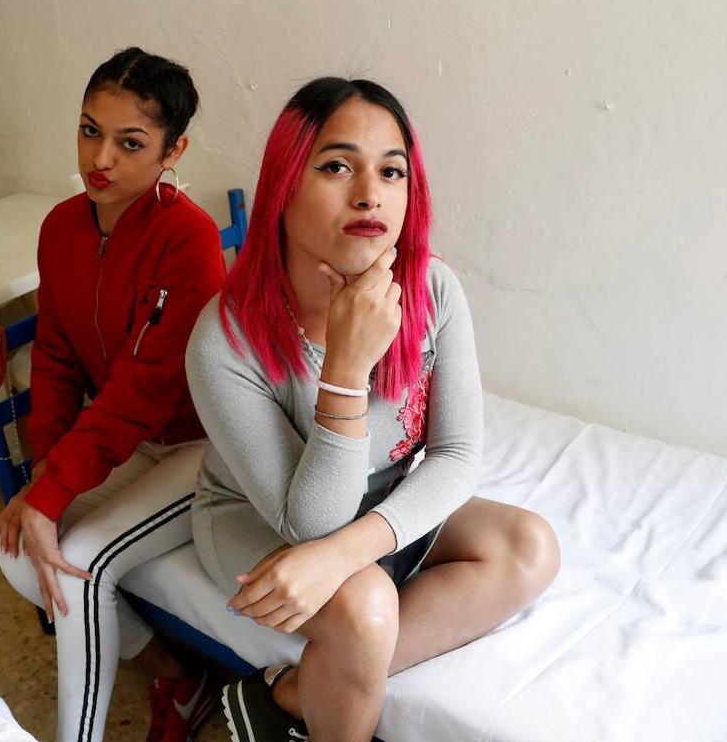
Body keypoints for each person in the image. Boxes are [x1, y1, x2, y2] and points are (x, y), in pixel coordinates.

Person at [185, 77, 561, 742]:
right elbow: (310, 525)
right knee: (366, 608)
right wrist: (346, 367)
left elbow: (456, 457)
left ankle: (288, 695)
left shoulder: (433, 289)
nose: (370, 194)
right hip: (260, 521)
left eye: (392, 171)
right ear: (283, 185)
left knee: (530, 546)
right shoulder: (224, 339)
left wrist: (343, 556)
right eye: (336, 166)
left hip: (374, 509)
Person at [0, 47, 226, 742]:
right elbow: (56, 354)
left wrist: (55, 491)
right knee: (16, 550)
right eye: (90, 130)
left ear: (172, 152)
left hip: (201, 445)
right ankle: (177, 677)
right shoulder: (62, 226)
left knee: (81, 563)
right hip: (125, 438)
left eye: (131, 143)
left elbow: (145, 392)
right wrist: (47, 465)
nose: (100, 159)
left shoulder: (188, 240)